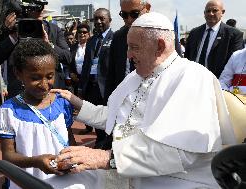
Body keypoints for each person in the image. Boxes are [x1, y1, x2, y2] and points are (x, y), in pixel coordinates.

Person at [54, 12, 236, 189]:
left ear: (159, 46)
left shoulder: (193, 77)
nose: (128, 55)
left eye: (134, 47)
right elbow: (116, 117)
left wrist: (106, 158)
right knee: (55, 182)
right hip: (124, 169)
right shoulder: (135, 76)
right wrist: (76, 102)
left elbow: (182, 152)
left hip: (177, 180)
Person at [0, 39, 75, 189]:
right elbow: (8, 156)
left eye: (50, 76)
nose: (44, 84)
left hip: (64, 181)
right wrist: (36, 161)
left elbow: (70, 140)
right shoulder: (8, 111)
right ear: (18, 74)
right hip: (27, 182)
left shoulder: (62, 102)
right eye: (35, 78)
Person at [0, 3, 71, 98]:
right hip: (20, 95)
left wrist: (49, 44)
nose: (41, 9)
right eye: (36, 6)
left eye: (42, 5)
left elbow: (67, 57)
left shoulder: (54, 29)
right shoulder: (11, 29)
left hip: (51, 92)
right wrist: (12, 37)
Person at [78, 8, 113, 148]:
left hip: (106, 86)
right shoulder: (91, 40)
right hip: (91, 85)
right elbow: (87, 64)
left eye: (102, 18)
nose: (98, 22)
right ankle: (99, 140)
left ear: (109, 20)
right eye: (96, 19)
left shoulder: (115, 38)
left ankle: (108, 142)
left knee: (108, 116)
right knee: (94, 115)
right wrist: (81, 86)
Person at [104, 0, 151, 104]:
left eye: (134, 14)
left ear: (147, 8)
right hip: (123, 103)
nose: (129, 19)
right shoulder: (118, 37)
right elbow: (111, 75)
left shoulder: (163, 33)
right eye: (124, 15)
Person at [184, 0, 244, 78]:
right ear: (204, 13)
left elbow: (235, 63)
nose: (211, 14)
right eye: (208, 11)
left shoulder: (234, 35)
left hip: (219, 83)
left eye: (215, 10)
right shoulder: (194, 33)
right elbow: (187, 58)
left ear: (222, 12)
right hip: (194, 79)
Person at [69, 23, 90, 96]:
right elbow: (69, 62)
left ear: (88, 34)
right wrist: (71, 73)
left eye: (84, 32)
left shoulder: (92, 47)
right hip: (76, 80)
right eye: (80, 32)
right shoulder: (73, 47)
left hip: (88, 80)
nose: (82, 34)